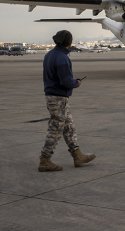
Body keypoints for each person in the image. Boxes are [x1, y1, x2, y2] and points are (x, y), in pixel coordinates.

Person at [38, 30, 96, 172]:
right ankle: (45, 160)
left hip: (53, 96)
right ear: (69, 42)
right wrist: (76, 83)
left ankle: (78, 156)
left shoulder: (49, 55)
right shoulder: (63, 58)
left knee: (68, 126)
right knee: (56, 128)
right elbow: (65, 81)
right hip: (58, 98)